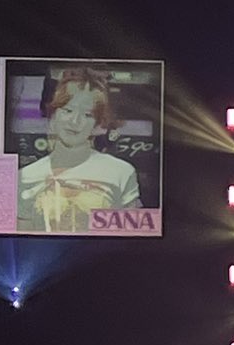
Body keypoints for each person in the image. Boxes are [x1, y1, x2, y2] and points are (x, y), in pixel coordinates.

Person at [17, 70, 141, 233]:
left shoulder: (121, 172)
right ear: (53, 116)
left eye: (87, 115)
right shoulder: (25, 176)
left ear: (97, 125)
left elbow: (132, 238)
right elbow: (23, 240)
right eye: (67, 110)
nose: (75, 121)